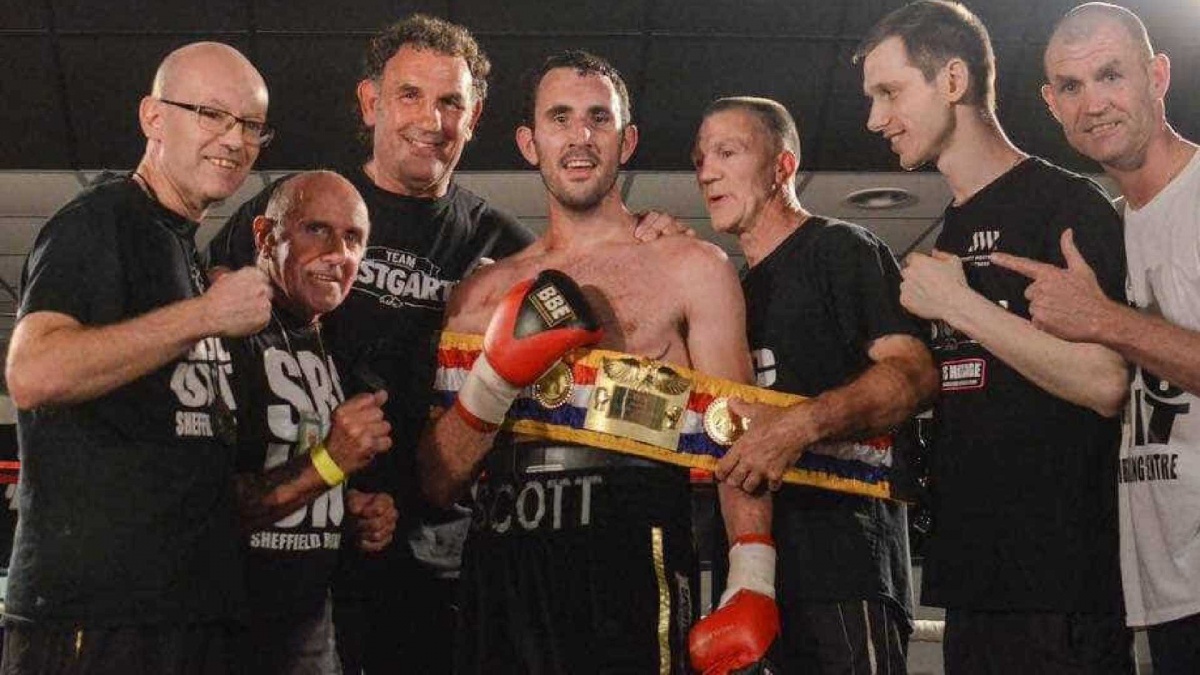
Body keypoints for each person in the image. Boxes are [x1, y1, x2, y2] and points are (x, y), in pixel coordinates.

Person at [418, 50, 776, 674]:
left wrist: (753, 575)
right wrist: (493, 380)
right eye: (560, 118)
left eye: (598, 118)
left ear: (626, 140)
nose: (580, 136)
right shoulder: (478, 297)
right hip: (501, 563)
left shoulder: (690, 269)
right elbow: (438, 482)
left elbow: (736, 431)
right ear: (529, 143)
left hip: (631, 556)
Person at [206, 15, 534, 673]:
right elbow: (216, 353)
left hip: (429, 558)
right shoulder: (297, 208)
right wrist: (323, 481)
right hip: (288, 543)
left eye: (451, 102)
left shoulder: (504, 246)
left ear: (474, 117)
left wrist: (644, 232)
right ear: (370, 102)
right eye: (410, 94)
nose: (431, 120)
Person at [856, 2, 1134, 672]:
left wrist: (961, 305)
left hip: (1060, 589)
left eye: (890, 92)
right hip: (975, 584)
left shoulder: (1065, 205)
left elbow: (1105, 382)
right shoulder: (953, 227)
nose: (874, 118)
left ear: (953, 81)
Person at [2, 42, 274, 673]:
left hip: (181, 617)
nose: (235, 139)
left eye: (251, 125)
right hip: (98, 623)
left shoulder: (181, 246)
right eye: (212, 114)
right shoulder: (100, 221)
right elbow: (33, 372)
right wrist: (206, 315)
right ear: (154, 117)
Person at [691, 96, 938, 672]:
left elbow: (914, 372)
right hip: (754, 574)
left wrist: (797, 425)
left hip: (845, 565)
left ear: (782, 166)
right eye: (701, 159)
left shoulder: (841, 249)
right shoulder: (730, 295)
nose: (707, 172)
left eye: (728, 152)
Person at [991, 4, 1200, 672]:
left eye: (1111, 76)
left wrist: (1103, 320)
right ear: (1051, 103)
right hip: (1165, 586)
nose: (1094, 104)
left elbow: (1106, 327)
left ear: (1157, 76)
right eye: (1072, 86)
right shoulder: (1105, 227)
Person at [227, 170, 399, 673]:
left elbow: (297, 479)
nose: (337, 253)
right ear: (265, 236)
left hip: (312, 644)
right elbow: (202, 509)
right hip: (229, 643)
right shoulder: (226, 334)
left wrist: (350, 511)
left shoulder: (333, 344)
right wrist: (330, 462)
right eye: (316, 229)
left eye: (353, 238)